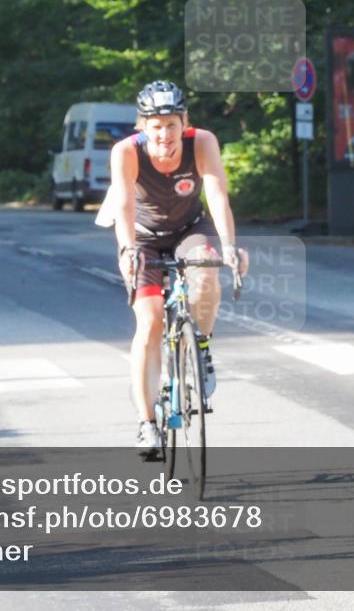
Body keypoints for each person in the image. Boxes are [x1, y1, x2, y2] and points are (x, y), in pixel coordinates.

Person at [100, 80, 248, 453]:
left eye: (171, 124)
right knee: (150, 322)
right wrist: (127, 250)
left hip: (189, 229)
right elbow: (123, 205)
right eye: (156, 126)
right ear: (142, 126)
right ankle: (147, 423)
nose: (164, 134)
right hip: (143, 236)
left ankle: (201, 346)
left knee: (207, 274)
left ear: (184, 122)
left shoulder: (203, 142)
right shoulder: (126, 151)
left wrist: (230, 246)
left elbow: (216, 194)